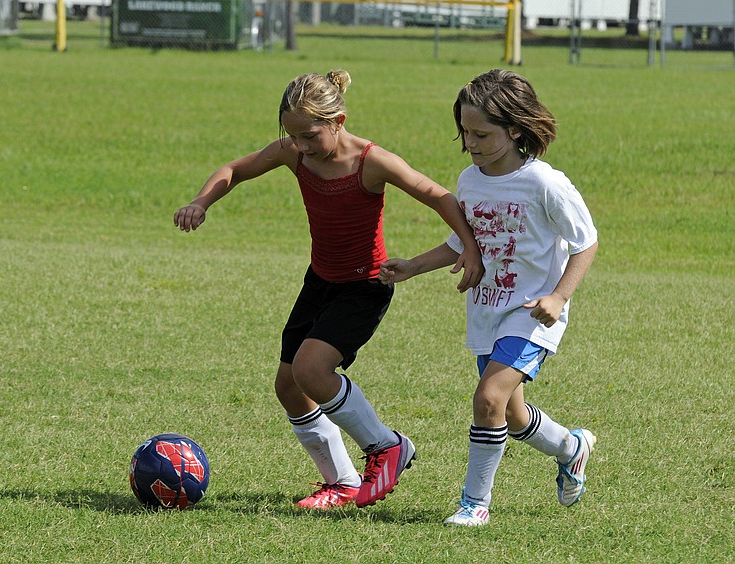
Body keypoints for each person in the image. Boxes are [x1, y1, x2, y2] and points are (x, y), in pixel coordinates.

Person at [174, 70, 483, 510]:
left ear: (339, 119)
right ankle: (341, 482)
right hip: (319, 281)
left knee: (312, 371)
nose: (299, 146)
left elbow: (438, 195)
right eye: (292, 135)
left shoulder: (371, 161)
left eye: (309, 135)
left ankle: (387, 446)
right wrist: (200, 202)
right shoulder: (293, 153)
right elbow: (235, 169)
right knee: (289, 385)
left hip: (365, 286)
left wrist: (469, 248)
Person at [379, 69, 599, 526]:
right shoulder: (470, 180)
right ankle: (570, 448)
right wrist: (413, 266)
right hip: (487, 308)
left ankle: (474, 503)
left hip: (533, 311)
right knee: (508, 413)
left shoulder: (545, 184)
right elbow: (462, 242)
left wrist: (558, 297)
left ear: (515, 129)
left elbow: (586, 242)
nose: (471, 142)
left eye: (482, 133)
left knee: (487, 398)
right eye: (464, 132)